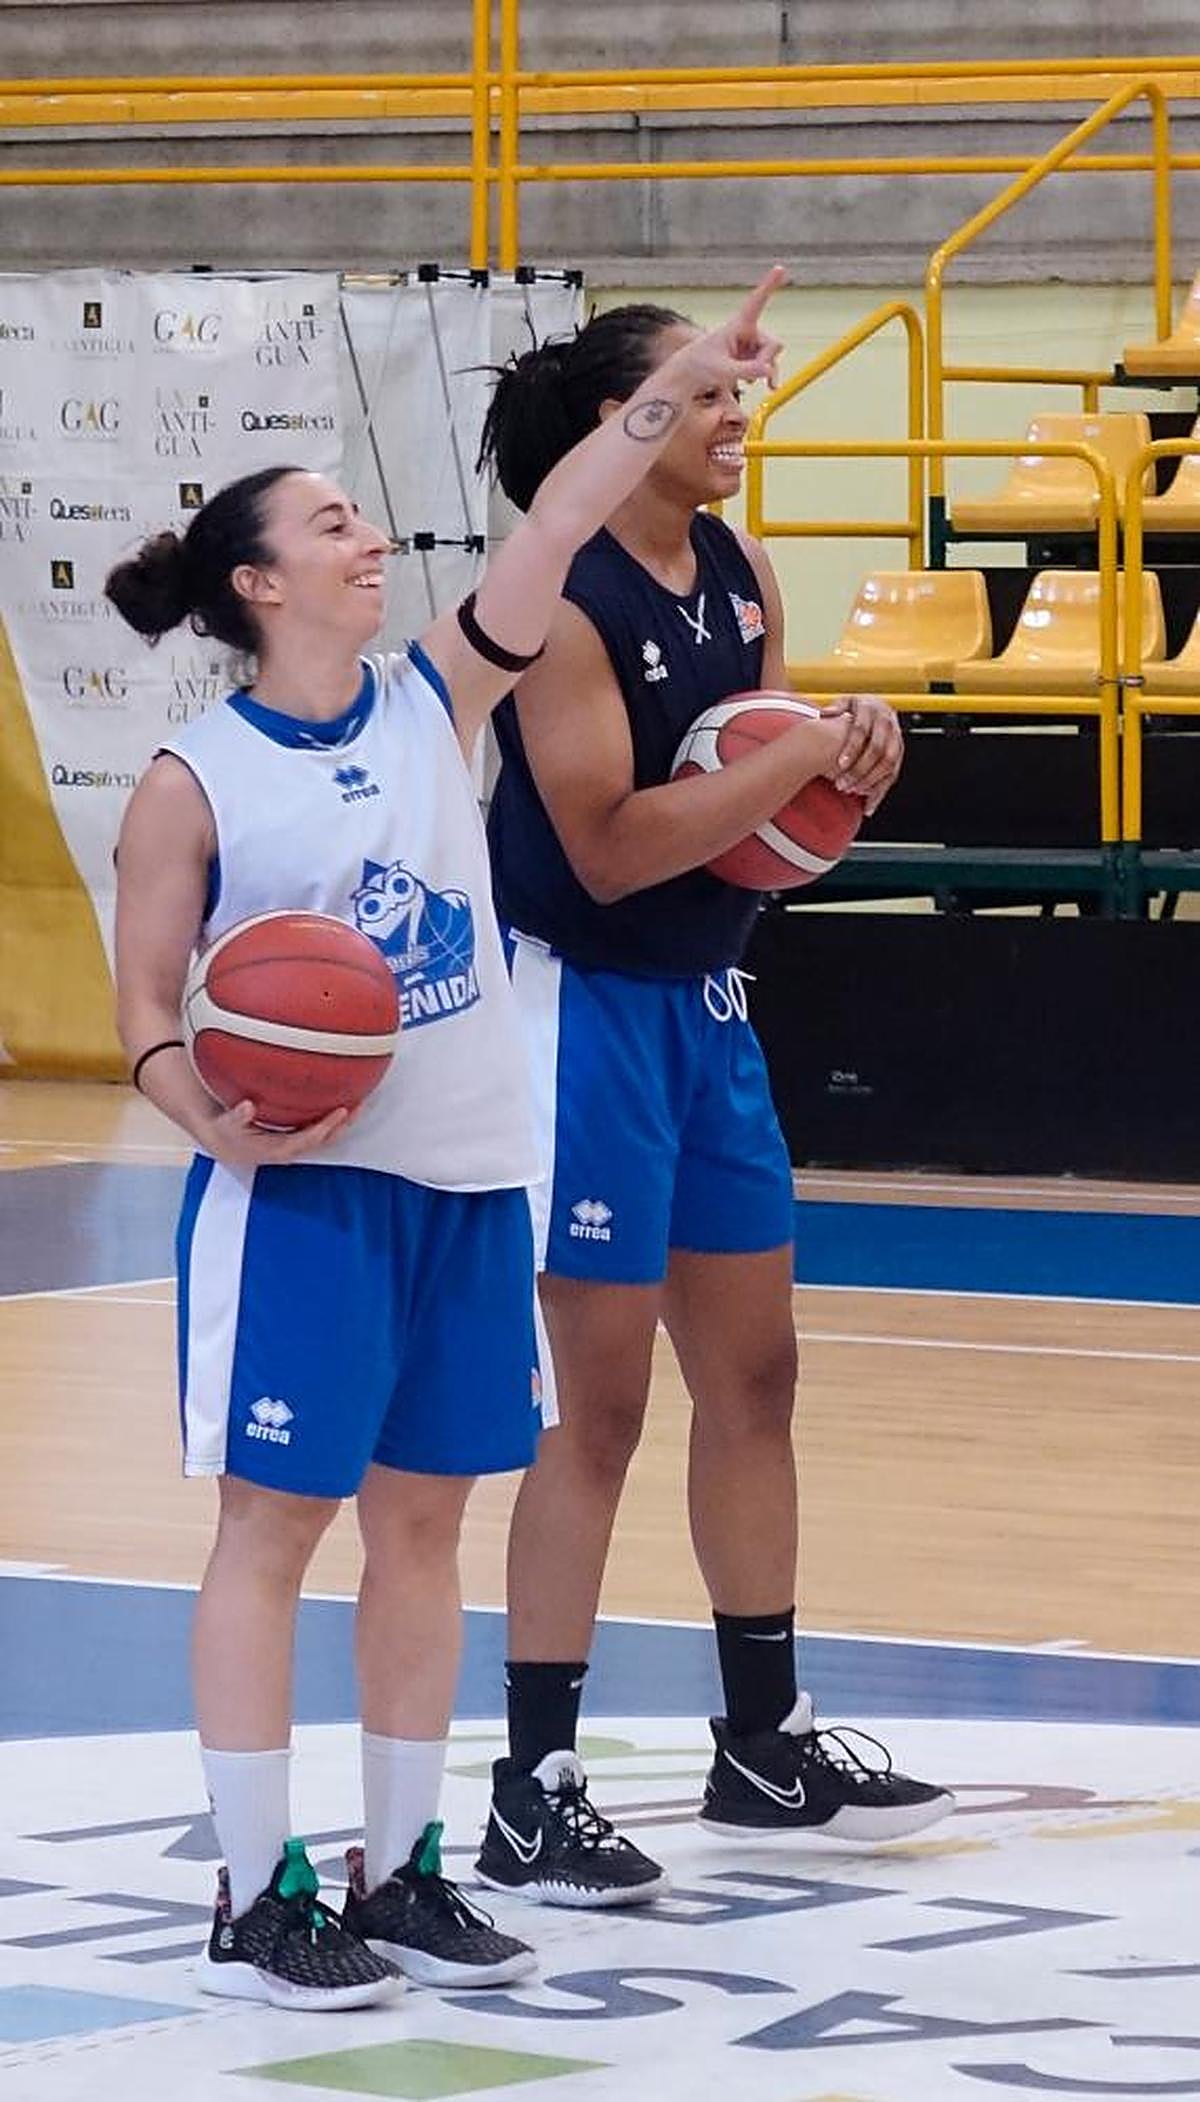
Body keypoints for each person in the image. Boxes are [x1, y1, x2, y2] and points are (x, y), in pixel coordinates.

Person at [106, 269, 794, 2012]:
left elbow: (562, 509)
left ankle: (399, 1865)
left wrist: (676, 388)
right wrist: (219, 1124)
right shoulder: (196, 778)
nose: (365, 539)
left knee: (428, 1534)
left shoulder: (440, 695)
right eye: (329, 524)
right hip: (311, 1201)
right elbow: (145, 1023)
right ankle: (256, 1890)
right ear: (260, 583)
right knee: (274, 1533)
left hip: (471, 1177)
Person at [471, 297, 954, 1910]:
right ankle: (534, 1785)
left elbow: (768, 797)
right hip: (582, 1008)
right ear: (624, 418)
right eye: (703, 389)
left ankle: (763, 1734)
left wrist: (848, 762)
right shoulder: (564, 606)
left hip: (710, 997)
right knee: (595, 1406)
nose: (739, 410)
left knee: (758, 1373)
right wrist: (791, 759)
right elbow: (607, 842)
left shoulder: (740, 573)